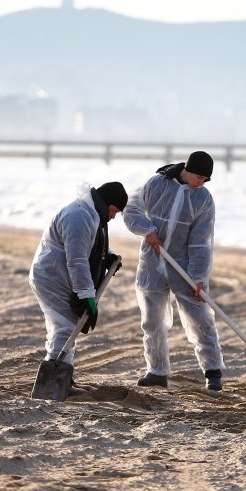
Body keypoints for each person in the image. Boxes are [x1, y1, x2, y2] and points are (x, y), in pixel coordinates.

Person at [124, 150, 226, 391]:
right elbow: (131, 207)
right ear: (188, 169)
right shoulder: (157, 184)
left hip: (184, 267)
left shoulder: (203, 199)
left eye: (206, 179)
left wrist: (199, 277)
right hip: (152, 262)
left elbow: (201, 242)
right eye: (200, 176)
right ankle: (157, 371)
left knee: (200, 317)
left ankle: (213, 372)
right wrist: (145, 229)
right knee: (152, 320)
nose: (202, 182)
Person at [29, 181, 128, 391]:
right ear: (105, 203)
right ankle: (55, 383)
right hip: (52, 276)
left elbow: (87, 247)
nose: (112, 217)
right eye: (113, 211)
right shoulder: (79, 216)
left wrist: (107, 256)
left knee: (67, 326)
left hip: (60, 275)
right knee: (64, 327)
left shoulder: (90, 213)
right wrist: (86, 294)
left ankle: (64, 378)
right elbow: (77, 259)